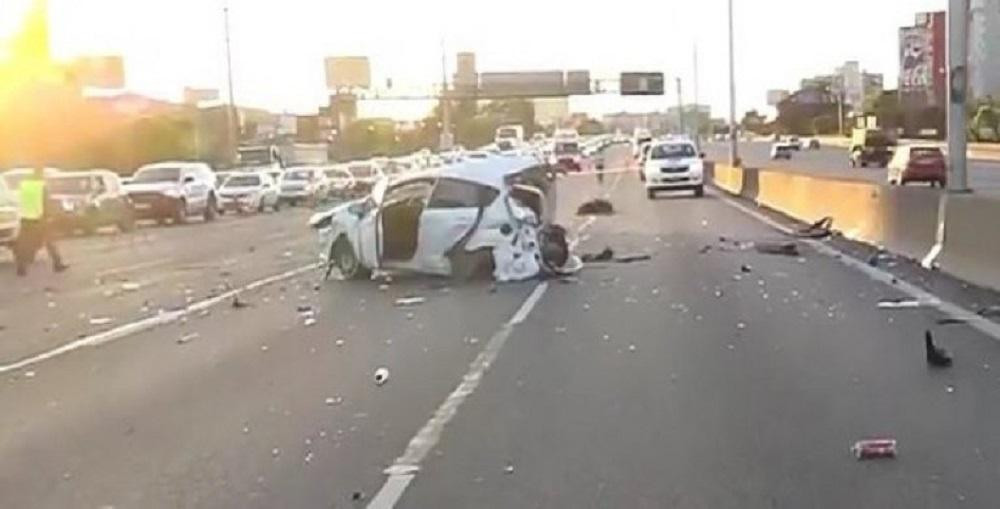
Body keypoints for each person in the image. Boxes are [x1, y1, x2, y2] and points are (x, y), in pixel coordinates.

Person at [14, 167, 68, 276]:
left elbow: (19, 200)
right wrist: (49, 216)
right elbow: (45, 202)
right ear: (41, 176)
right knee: (50, 242)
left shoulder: (23, 186)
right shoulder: (41, 186)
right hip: (39, 218)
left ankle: (21, 267)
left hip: (25, 217)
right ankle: (58, 264)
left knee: (24, 244)